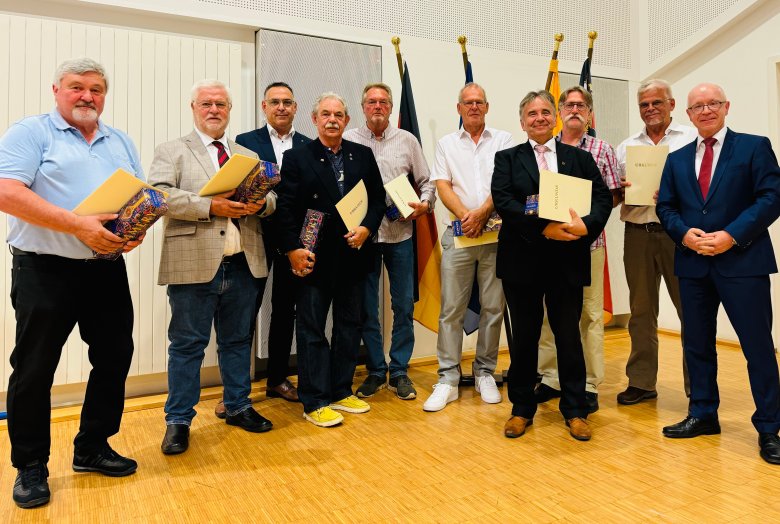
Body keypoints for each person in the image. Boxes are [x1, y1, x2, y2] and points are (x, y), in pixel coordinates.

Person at [0, 57, 143, 509]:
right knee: (34, 368)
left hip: (105, 268)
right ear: (56, 89)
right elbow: (7, 191)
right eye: (77, 87)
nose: (87, 96)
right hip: (44, 269)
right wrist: (76, 225)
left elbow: (134, 196)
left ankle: (92, 446)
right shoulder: (32, 133)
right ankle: (30, 466)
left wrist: (133, 229)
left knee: (116, 355)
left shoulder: (119, 140)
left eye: (96, 89)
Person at [149, 79, 276, 456]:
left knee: (238, 342)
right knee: (188, 346)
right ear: (193, 107)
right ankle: (179, 421)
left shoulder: (246, 154)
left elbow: (270, 197)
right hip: (193, 264)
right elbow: (158, 196)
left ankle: (238, 406)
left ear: (230, 110)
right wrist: (210, 206)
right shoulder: (172, 150)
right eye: (206, 103)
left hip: (243, 263)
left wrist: (261, 205)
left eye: (221, 103)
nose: (214, 109)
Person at [656, 82, 780, 465]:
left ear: (727, 107)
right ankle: (704, 413)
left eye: (713, 104)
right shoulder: (675, 159)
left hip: (743, 262)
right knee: (696, 343)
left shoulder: (754, 146)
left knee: (757, 347)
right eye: (698, 106)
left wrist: (732, 235)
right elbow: (667, 207)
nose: (706, 110)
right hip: (693, 264)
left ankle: (769, 427)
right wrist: (684, 235)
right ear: (688, 115)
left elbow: (771, 197)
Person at [492, 90, 612, 441]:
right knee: (526, 338)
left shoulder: (579, 158)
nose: (540, 118)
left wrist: (585, 227)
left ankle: (575, 410)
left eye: (546, 111)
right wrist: (544, 228)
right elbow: (504, 201)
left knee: (568, 336)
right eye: (532, 113)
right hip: (522, 260)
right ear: (522, 121)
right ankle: (521, 408)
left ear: (555, 117)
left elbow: (602, 197)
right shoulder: (507, 159)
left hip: (567, 261)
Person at [274, 92, 385, 427]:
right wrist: (293, 248)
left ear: (347, 120)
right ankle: (315, 400)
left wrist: (367, 228)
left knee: (349, 327)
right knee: (311, 330)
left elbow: (378, 199)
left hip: (353, 256)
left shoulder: (362, 155)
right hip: (313, 259)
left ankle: (340, 390)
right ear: (315, 119)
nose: (332, 119)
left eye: (339, 114)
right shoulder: (297, 157)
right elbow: (286, 209)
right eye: (326, 114)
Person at [423, 82, 513, 412]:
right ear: (458, 108)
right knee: (451, 310)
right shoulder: (446, 144)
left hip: (495, 236)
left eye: (479, 102)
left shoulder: (503, 140)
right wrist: (466, 216)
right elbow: (442, 185)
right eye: (467, 102)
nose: (473, 107)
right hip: (458, 235)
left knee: (492, 307)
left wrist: (484, 212)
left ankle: (484, 372)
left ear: (487, 107)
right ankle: (447, 377)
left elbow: (505, 182)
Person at [344, 83, 436, 401]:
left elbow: (427, 182)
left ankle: (399, 371)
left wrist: (424, 205)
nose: (378, 106)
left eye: (384, 102)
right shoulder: (350, 140)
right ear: (363, 107)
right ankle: (374, 370)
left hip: (401, 236)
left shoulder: (407, 140)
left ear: (392, 107)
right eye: (372, 101)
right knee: (368, 308)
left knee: (403, 306)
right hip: (365, 236)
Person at [535, 86, 621, 414]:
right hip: (550, 243)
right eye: (568, 104)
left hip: (589, 243)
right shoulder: (545, 150)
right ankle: (551, 376)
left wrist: (585, 222)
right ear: (559, 111)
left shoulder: (602, 149)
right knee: (549, 312)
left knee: (590, 314)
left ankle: (588, 383)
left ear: (589, 113)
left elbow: (612, 195)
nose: (574, 109)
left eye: (581, 105)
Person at [615, 79, 696, 405]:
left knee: (691, 312)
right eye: (644, 105)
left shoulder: (691, 139)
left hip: (680, 236)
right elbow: (614, 194)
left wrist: (678, 194)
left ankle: (698, 386)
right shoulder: (626, 147)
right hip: (637, 233)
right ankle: (642, 382)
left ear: (672, 104)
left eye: (657, 103)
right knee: (641, 312)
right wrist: (621, 190)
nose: (650, 109)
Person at [234, 82, 312, 406]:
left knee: (284, 312)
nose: (281, 107)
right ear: (264, 107)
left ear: (296, 108)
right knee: (244, 314)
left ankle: (277, 379)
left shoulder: (309, 146)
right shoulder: (245, 143)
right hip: (255, 237)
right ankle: (235, 391)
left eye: (288, 102)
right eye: (275, 102)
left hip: (292, 240)